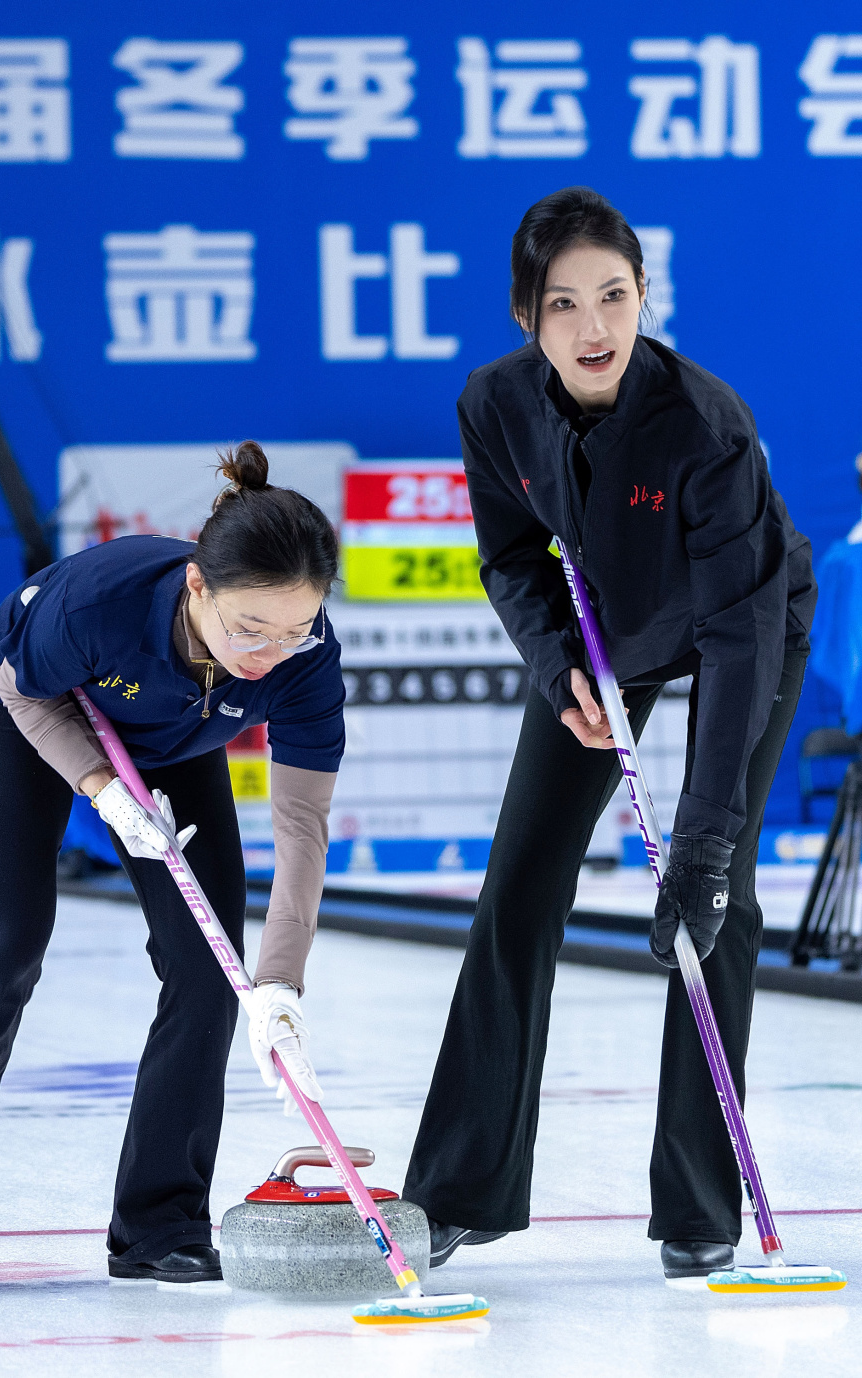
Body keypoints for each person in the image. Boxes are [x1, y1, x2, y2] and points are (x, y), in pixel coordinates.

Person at [403, 187, 816, 1281]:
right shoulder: (492, 405)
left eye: (616, 297)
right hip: (602, 638)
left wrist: (705, 844)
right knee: (519, 884)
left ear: (643, 295)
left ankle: (696, 1204)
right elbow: (509, 558)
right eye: (565, 305)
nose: (596, 328)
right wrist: (557, 666)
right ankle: (458, 1192)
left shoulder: (705, 426)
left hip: (748, 624)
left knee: (709, 901)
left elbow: (736, 640)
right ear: (525, 320)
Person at [0, 443, 345, 1292]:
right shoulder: (101, 603)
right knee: (4, 952)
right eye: (250, 629)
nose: (269, 652)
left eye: (294, 629)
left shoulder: (306, 660)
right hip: (28, 709)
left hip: (174, 742)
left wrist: (280, 984)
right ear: (198, 587)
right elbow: (29, 690)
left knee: (215, 971)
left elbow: (302, 825)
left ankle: (158, 1226)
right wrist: (102, 794)